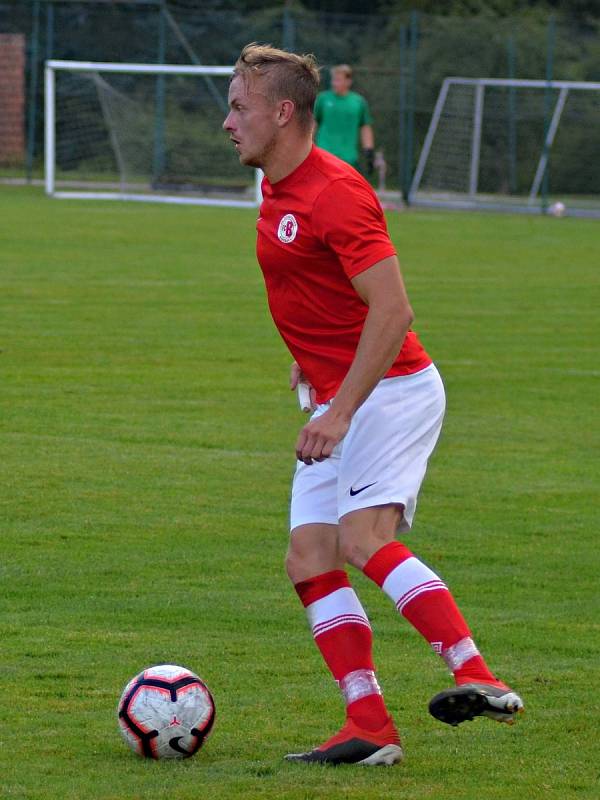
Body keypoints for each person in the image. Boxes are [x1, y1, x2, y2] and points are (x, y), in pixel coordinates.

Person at [223, 43, 524, 767]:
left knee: (360, 538)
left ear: (282, 112)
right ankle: (369, 725)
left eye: (239, 106)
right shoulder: (275, 186)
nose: (227, 121)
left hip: (390, 391)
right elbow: (315, 285)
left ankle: (474, 671)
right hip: (343, 388)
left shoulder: (336, 190)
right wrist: (311, 356)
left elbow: (392, 312)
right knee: (310, 556)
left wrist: (340, 411)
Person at [314, 64, 375, 175]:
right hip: (323, 155)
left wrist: (369, 151)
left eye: (338, 80)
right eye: (333, 80)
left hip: (348, 158)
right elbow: (312, 123)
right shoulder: (322, 99)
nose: (334, 83)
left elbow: (365, 127)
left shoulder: (358, 102)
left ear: (348, 81)